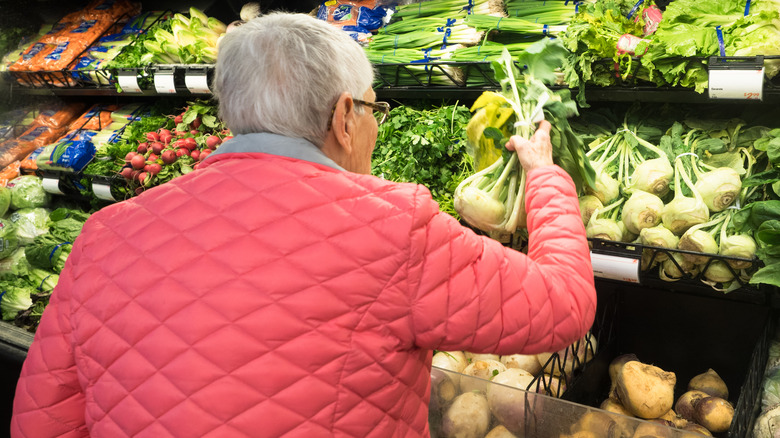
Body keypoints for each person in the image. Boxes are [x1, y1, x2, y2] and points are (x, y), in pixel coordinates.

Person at [11, 12, 596, 438]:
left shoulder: (104, 234)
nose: (373, 125)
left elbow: (45, 418)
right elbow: (563, 305)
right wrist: (543, 176)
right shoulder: (396, 227)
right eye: (373, 109)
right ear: (345, 115)